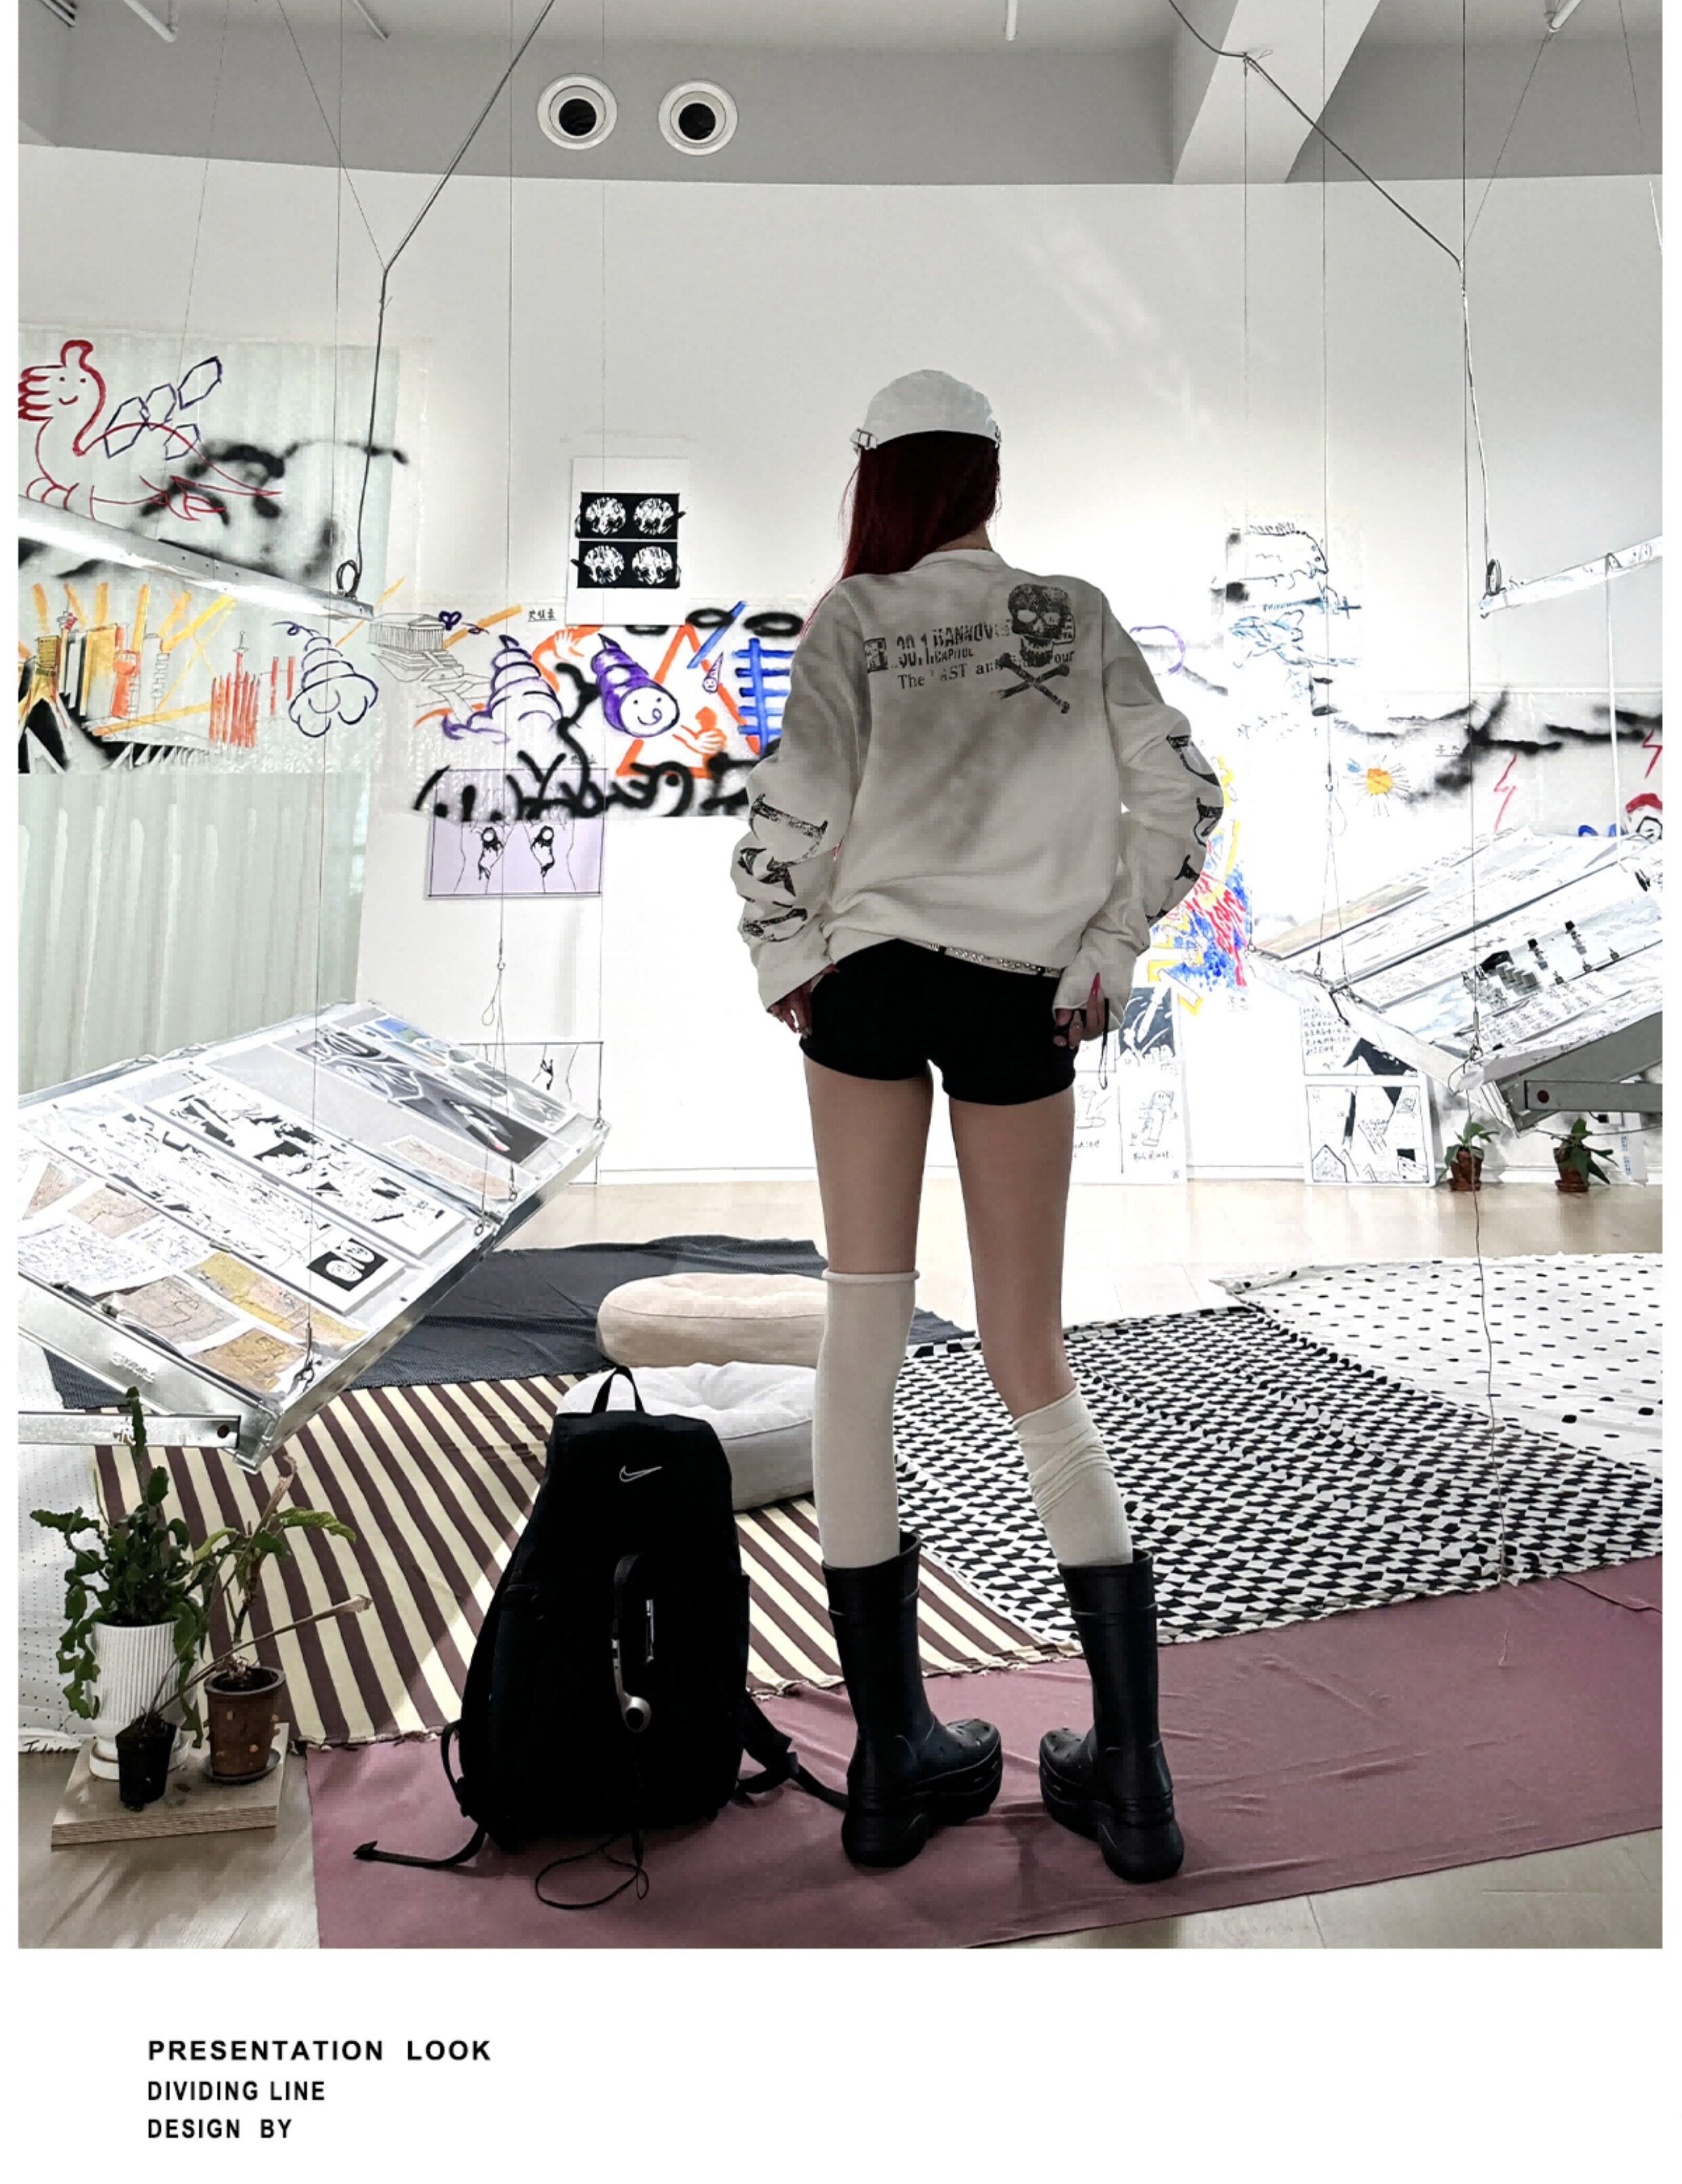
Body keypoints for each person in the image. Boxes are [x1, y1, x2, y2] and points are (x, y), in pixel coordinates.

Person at [730, 369, 1220, 1881]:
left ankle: (892, 1764)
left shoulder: (853, 617)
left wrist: (782, 955)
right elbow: (1184, 795)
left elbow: (795, 805)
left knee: (860, 1337)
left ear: (882, 480)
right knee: (1027, 1351)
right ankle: (1130, 1777)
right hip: (1024, 994)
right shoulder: (1075, 613)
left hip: (871, 982)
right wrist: (1107, 949)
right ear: (989, 480)